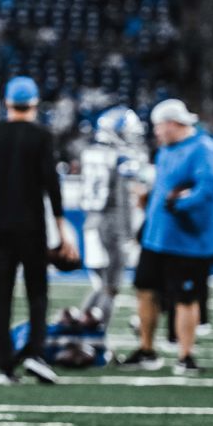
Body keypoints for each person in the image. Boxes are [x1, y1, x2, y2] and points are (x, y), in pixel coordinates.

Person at [0, 76, 75, 385]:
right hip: (31, 226)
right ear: (35, 103)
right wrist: (61, 228)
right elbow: (51, 186)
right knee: (37, 293)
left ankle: (4, 367)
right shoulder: (42, 136)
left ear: (7, 103)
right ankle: (35, 354)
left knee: (0, 298)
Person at [120, 99, 213, 374]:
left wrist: (177, 205)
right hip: (157, 237)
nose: (156, 132)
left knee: (186, 298)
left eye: (158, 126)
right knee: (145, 289)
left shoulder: (203, 149)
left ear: (173, 124)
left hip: (188, 239)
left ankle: (185, 355)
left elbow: (208, 189)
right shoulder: (166, 150)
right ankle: (147, 350)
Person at [76, 107, 147, 330]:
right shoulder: (120, 158)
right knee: (110, 286)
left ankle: (81, 331)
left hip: (91, 221)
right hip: (111, 223)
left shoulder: (91, 152)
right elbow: (123, 200)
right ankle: (96, 337)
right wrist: (127, 235)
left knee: (101, 286)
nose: (131, 137)